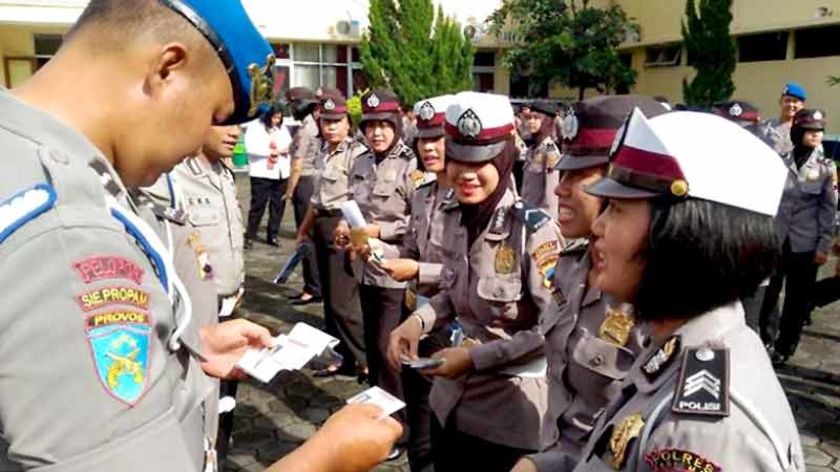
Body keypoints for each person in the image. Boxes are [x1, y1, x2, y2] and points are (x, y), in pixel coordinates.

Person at [0, 0, 400, 469]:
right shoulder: (68, 234)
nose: (200, 142)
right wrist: (327, 458)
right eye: (214, 113)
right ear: (167, 68)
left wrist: (182, 350)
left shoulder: (26, 158)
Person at [555, 108, 803, 471]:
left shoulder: (704, 434)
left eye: (618, 209)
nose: (600, 226)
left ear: (682, 238)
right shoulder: (679, 343)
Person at [387, 91, 563, 472]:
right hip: (449, 403)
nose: (466, 174)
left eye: (480, 161)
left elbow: (552, 331)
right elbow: (453, 291)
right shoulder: (454, 215)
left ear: (503, 158)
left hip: (507, 418)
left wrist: (474, 358)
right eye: (457, 160)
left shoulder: (533, 231)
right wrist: (417, 322)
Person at [512, 95, 665, 472]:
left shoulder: (658, 300)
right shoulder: (571, 265)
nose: (560, 188)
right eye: (562, 173)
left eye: (580, 176)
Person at [335, 89, 418, 458]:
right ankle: (383, 416)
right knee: (373, 347)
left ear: (397, 125)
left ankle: (401, 430)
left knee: (390, 353)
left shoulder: (412, 165)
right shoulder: (361, 161)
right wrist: (345, 226)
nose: (377, 133)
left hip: (393, 273)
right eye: (371, 126)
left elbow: (417, 223)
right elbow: (354, 205)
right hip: (365, 269)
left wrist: (377, 231)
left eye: (385, 125)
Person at [378, 94, 456, 472]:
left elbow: (478, 277)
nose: (430, 147)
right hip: (414, 313)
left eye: (438, 138)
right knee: (418, 413)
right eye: (424, 139)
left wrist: (419, 271)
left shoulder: (473, 201)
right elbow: (409, 247)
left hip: (451, 324)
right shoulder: (424, 193)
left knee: (444, 421)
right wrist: (377, 251)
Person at [171, 124, 248, 466]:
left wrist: (238, 285)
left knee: (226, 397)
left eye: (238, 125)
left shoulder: (224, 173)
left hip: (231, 303)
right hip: (198, 313)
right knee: (199, 401)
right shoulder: (175, 178)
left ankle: (220, 452)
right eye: (225, 123)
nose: (235, 133)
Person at [297, 93, 368, 377]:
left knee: (344, 302)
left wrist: (352, 233)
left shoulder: (357, 155)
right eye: (326, 122)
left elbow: (360, 197)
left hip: (344, 228)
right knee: (329, 300)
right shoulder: (324, 151)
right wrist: (303, 229)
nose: (331, 127)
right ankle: (344, 357)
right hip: (322, 225)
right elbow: (317, 198)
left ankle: (367, 359)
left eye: (337, 121)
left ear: (348, 124)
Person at [762, 109, 837, 365]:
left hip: (806, 244)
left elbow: (829, 209)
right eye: (810, 130)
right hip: (775, 240)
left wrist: (824, 245)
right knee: (768, 294)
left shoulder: (826, 169)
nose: (815, 135)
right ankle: (764, 338)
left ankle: (785, 347)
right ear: (797, 131)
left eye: (819, 130)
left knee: (796, 300)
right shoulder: (780, 161)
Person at [285, 87, 323, 305]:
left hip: (305, 182)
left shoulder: (304, 130)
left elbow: (297, 165)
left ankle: (312, 287)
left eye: (292, 105)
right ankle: (315, 285)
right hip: (314, 182)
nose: (291, 110)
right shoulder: (314, 125)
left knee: (305, 236)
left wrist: (289, 190)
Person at [244, 103, 292, 248]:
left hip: (280, 172)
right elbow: (250, 147)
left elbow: (289, 143)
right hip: (262, 172)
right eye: (274, 117)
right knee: (258, 205)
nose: (276, 121)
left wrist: (285, 149)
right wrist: (269, 152)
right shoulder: (255, 127)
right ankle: (250, 235)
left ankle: (273, 234)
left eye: (279, 118)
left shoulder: (281, 129)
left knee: (278, 205)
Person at [521, 100, 562, 220]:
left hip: (540, 218)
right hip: (527, 214)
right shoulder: (532, 148)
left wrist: (547, 222)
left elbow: (551, 195)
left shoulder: (549, 150)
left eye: (536, 118)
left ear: (547, 121)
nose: (531, 122)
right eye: (529, 118)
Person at [763, 82, 806, 156]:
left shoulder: (806, 130)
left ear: (802, 105)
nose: (791, 105)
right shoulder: (766, 127)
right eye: (787, 100)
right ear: (780, 102)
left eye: (795, 101)